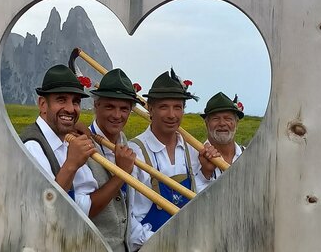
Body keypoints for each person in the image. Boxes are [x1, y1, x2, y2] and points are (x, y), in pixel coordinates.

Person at [128, 68, 218, 250]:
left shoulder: (192, 149)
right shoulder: (134, 151)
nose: (171, 115)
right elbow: (127, 220)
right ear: (150, 109)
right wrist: (164, 243)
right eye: (164, 107)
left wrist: (206, 174)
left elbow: (196, 199)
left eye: (177, 107)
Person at [20, 64, 108, 219]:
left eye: (76, 101)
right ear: (42, 104)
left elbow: (84, 205)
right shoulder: (32, 146)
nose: (70, 109)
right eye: (61, 100)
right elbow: (44, 212)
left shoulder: (66, 141)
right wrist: (72, 164)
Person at [85, 68, 143, 252]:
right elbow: (86, 210)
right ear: (96, 105)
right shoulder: (81, 145)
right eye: (110, 106)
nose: (117, 115)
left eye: (124, 109)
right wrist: (122, 174)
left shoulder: (125, 142)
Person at [195, 92, 245, 189]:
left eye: (228, 118)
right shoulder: (192, 157)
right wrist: (205, 174)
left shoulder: (248, 155)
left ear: (236, 123)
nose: (222, 123)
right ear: (207, 123)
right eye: (216, 119)